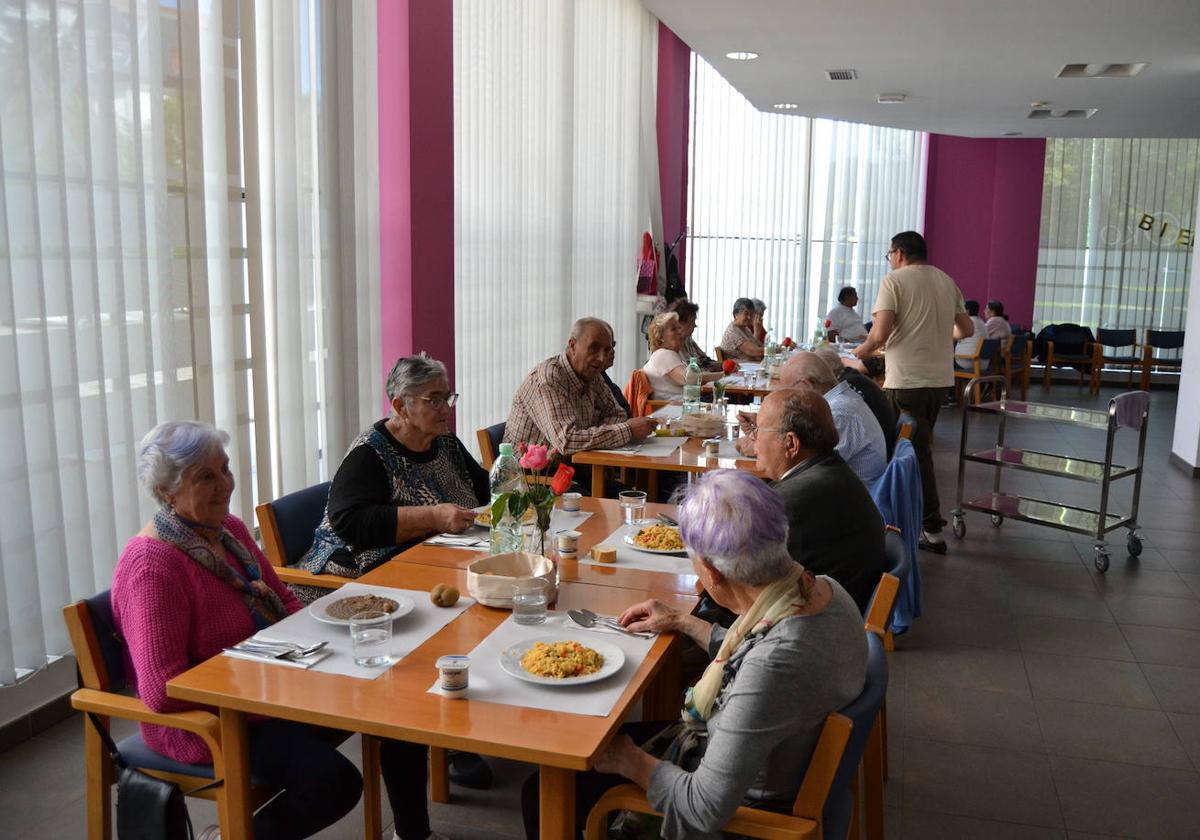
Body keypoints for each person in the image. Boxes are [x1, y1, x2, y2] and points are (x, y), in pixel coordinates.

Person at [114, 422, 443, 840]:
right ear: (167, 491)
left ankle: (414, 834)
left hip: (275, 684)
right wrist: (270, 683)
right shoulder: (153, 565)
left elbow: (284, 600)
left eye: (225, 469)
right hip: (214, 719)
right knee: (332, 783)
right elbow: (163, 690)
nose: (224, 485)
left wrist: (314, 656)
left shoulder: (228, 530)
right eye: (206, 477)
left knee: (397, 705)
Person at [520, 469, 867, 840]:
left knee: (543, 791)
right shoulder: (822, 590)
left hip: (749, 815)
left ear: (713, 574)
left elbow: (703, 808)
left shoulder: (773, 667)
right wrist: (681, 622)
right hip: (765, 760)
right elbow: (752, 647)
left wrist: (630, 761)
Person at [298, 354, 494, 790]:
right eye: (435, 399)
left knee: (485, 598)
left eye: (448, 397)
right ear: (400, 405)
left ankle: (459, 713)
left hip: (430, 559)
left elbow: (484, 489)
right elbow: (351, 523)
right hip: (359, 571)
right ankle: (446, 734)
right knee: (459, 614)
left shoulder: (444, 443)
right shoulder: (371, 455)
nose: (446, 408)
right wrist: (432, 517)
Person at [854, 230, 973, 554]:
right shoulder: (946, 281)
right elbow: (966, 329)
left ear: (900, 253)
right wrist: (936, 334)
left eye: (890, 254)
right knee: (915, 450)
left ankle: (929, 529)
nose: (890, 260)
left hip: (906, 381)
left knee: (908, 453)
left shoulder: (894, 281)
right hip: (939, 382)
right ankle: (904, 520)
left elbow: (879, 334)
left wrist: (856, 356)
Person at [752, 390, 886, 612]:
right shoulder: (832, 470)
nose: (752, 439)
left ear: (791, 444)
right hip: (837, 609)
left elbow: (743, 570)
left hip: (812, 624)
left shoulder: (793, 500)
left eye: (757, 430)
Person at [505, 318, 658, 455]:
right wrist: (628, 430)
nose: (601, 359)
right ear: (572, 345)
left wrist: (585, 436)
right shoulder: (549, 379)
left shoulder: (592, 374)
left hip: (575, 463)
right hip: (533, 478)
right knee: (628, 486)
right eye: (594, 348)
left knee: (640, 481)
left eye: (607, 350)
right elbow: (568, 441)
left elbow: (618, 414)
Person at [814, 347, 897, 458]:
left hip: (878, 452)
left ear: (825, 372)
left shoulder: (846, 388)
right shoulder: (851, 377)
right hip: (882, 447)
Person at [644, 312, 725, 399]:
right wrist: (722, 375)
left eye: (679, 328)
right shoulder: (663, 354)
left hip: (683, 405)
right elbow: (689, 379)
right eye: (673, 329)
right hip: (676, 408)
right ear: (661, 336)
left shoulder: (664, 354)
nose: (679, 331)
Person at [669, 298, 723, 372]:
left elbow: (705, 360)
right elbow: (690, 372)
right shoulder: (672, 346)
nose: (695, 325)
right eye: (692, 321)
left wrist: (724, 365)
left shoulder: (688, 340)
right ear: (680, 323)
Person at [954, 300, 989, 369]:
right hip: (982, 363)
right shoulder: (981, 322)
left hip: (968, 362)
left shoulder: (967, 322)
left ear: (967, 311)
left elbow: (949, 336)